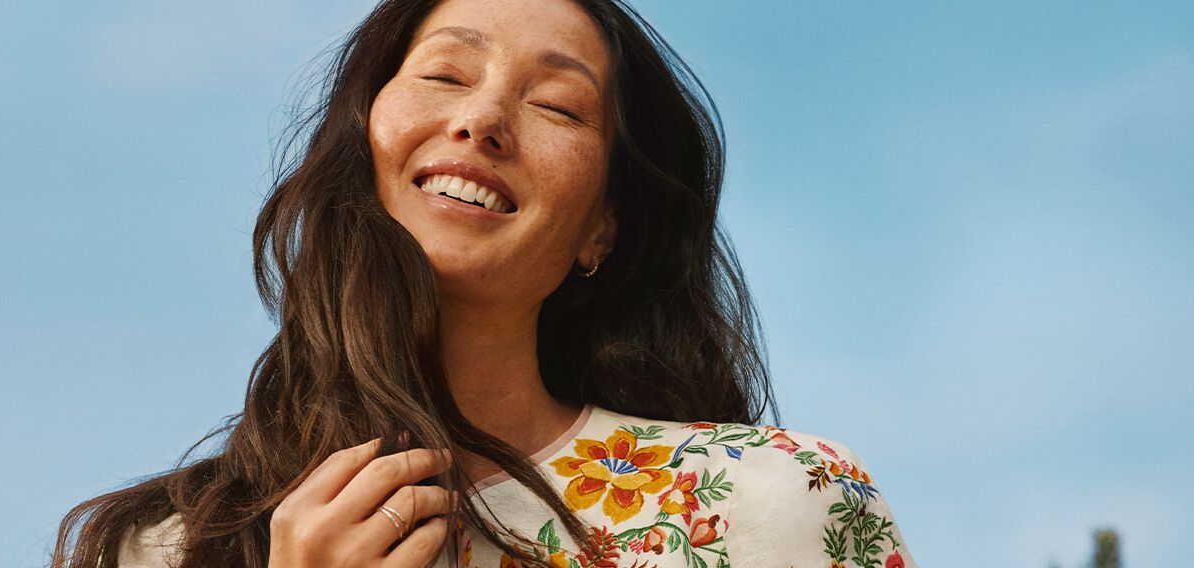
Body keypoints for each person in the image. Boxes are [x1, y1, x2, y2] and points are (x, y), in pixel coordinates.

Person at [53, 0, 918, 567]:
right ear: (363, 144)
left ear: (602, 228)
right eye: (444, 75)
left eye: (557, 106)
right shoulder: (155, 550)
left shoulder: (775, 503)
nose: (482, 120)